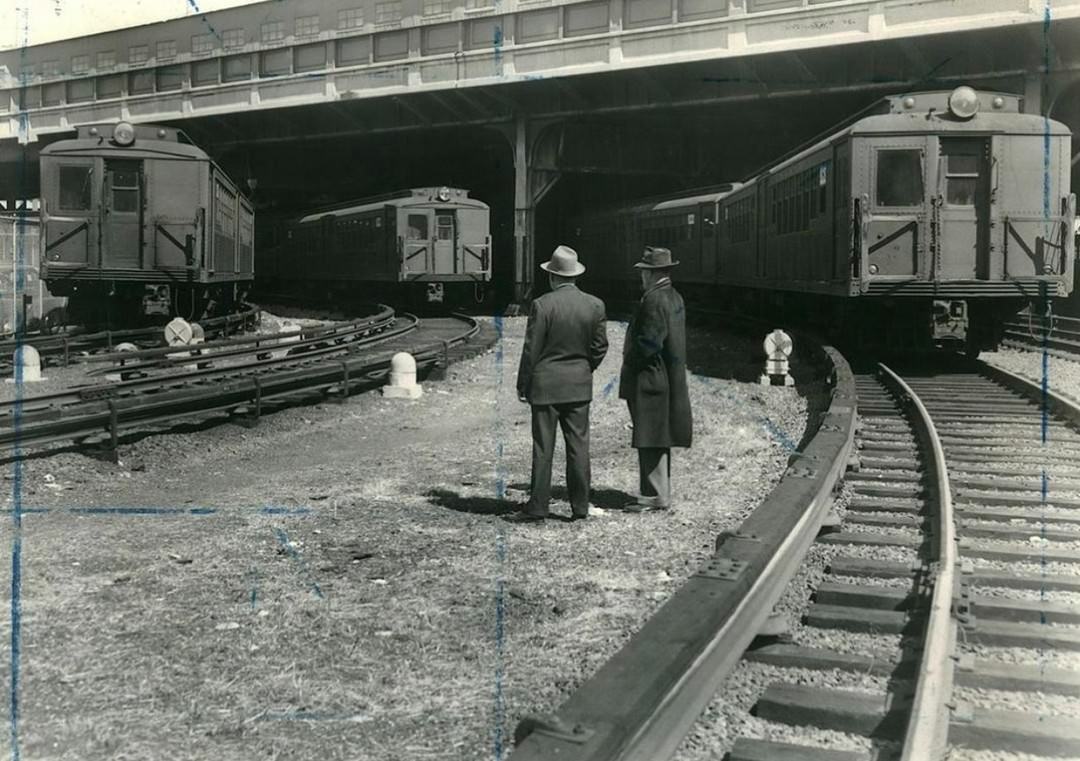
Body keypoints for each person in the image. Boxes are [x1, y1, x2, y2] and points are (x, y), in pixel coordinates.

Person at [511, 245, 608, 523]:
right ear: (575, 276)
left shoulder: (542, 305)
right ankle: (580, 507)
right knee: (579, 446)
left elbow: (532, 350)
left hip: (545, 387)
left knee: (543, 447)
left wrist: (523, 384)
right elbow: (600, 347)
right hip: (579, 386)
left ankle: (538, 507)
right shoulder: (595, 305)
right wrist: (584, 368)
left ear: (552, 277)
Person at [619, 246, 692, 512]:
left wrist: (631, 361)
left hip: (650, 379)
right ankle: (658, 491)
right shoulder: (674, 296)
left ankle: (655, 495)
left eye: (644, 272)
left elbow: (649, 342)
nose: (641, 277)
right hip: (666, 379)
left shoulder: (654, 300)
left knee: (651, 436)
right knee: (658, 435)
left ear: (651, 274)